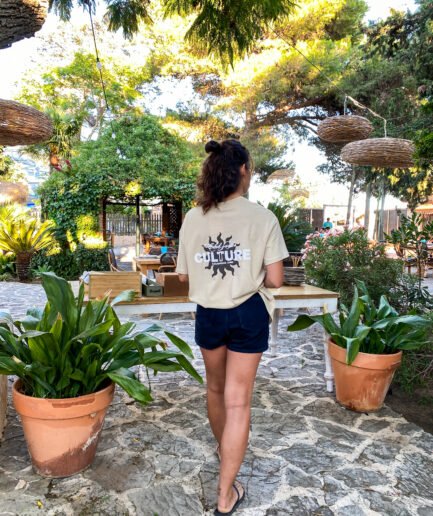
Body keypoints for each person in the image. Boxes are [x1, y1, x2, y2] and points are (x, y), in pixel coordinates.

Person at [176, 139, 288, 515]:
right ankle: (226, 494)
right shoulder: (263, 217)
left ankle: (226, 451)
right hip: (248, 312)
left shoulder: (193, 218)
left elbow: (184, 274)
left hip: (209, 312)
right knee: (238, 401)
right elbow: (275, 280)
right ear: (243, 170)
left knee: (215, 388)